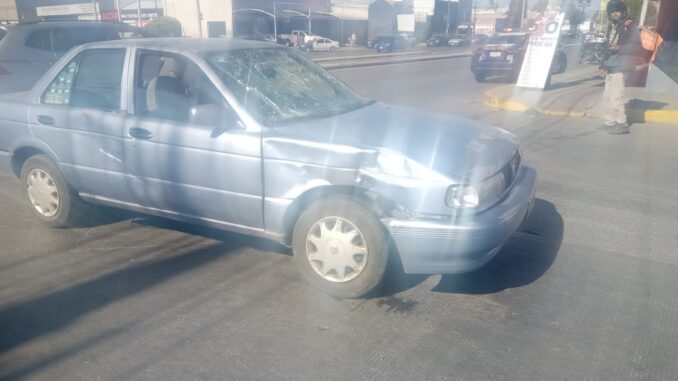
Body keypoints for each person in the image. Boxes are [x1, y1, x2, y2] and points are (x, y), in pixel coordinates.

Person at [600, 0, 641, 135]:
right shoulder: (612, 26)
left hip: (621, 67)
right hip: (610, 67)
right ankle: (609, 122)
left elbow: (636, 46)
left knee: (616, 97)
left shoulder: (629, 26)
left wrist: (620, 47)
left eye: (617, 11)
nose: (614, 14)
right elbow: (606, 47)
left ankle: (622, 124)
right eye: (612, 11)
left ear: (622, 11)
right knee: (607, 97)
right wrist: (603, 65)